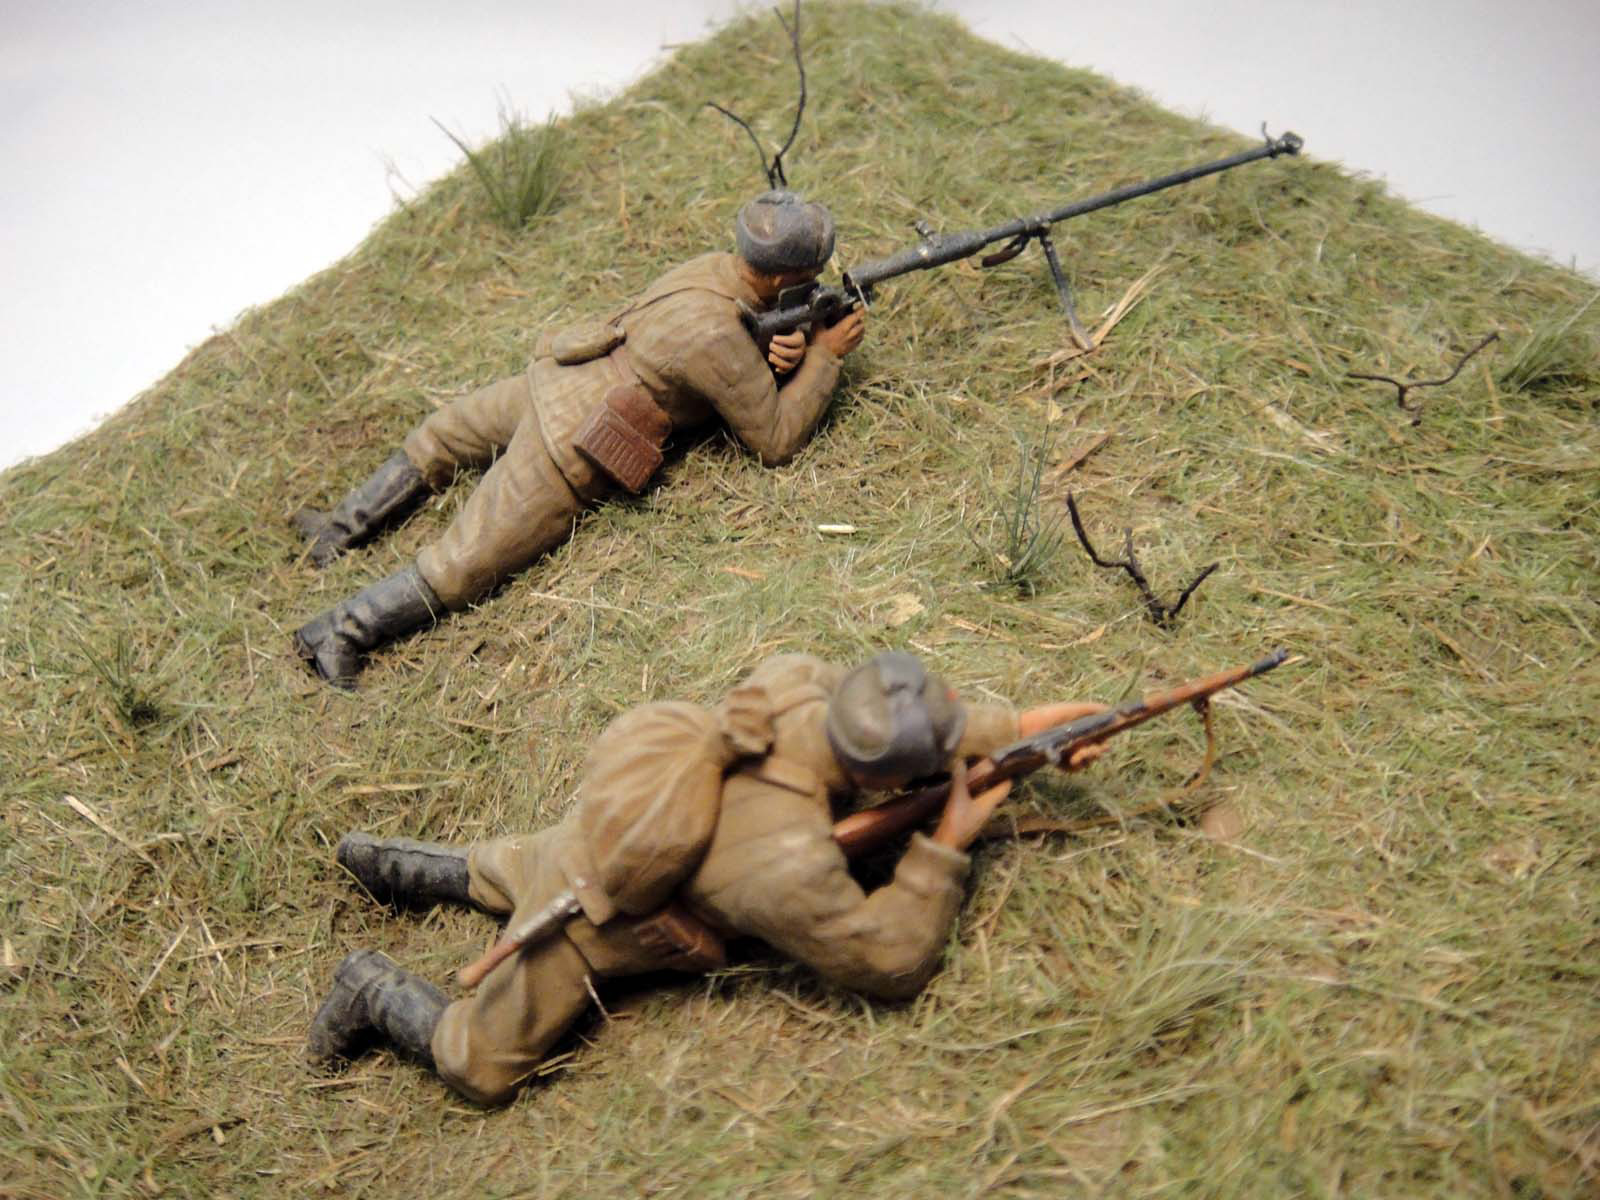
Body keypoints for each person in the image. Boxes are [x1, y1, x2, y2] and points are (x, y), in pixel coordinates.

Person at [306, 650, 1107, 1105]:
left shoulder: (797, 682)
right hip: (587, 926)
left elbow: (902, 728)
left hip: (595, 831)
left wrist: (1020, 730)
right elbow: (890, 959)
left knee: (505, 865)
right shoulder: (786, 863)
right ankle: (369, 987)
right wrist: (946, 844)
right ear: (880, 778)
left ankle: (380, 861)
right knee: (480, 1063)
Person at [291, 190, 867, 687]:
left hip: (560, 377)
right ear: (781, 276)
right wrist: (825, 357)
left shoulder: (713, 269)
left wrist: (779, 347)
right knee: (465, 561)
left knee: (439, 438)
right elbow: (774, 439)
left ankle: (337, 529)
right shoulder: (712, 335)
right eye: (807, 275)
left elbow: (729, 337)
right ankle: (340, 633)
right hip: (574, 438)